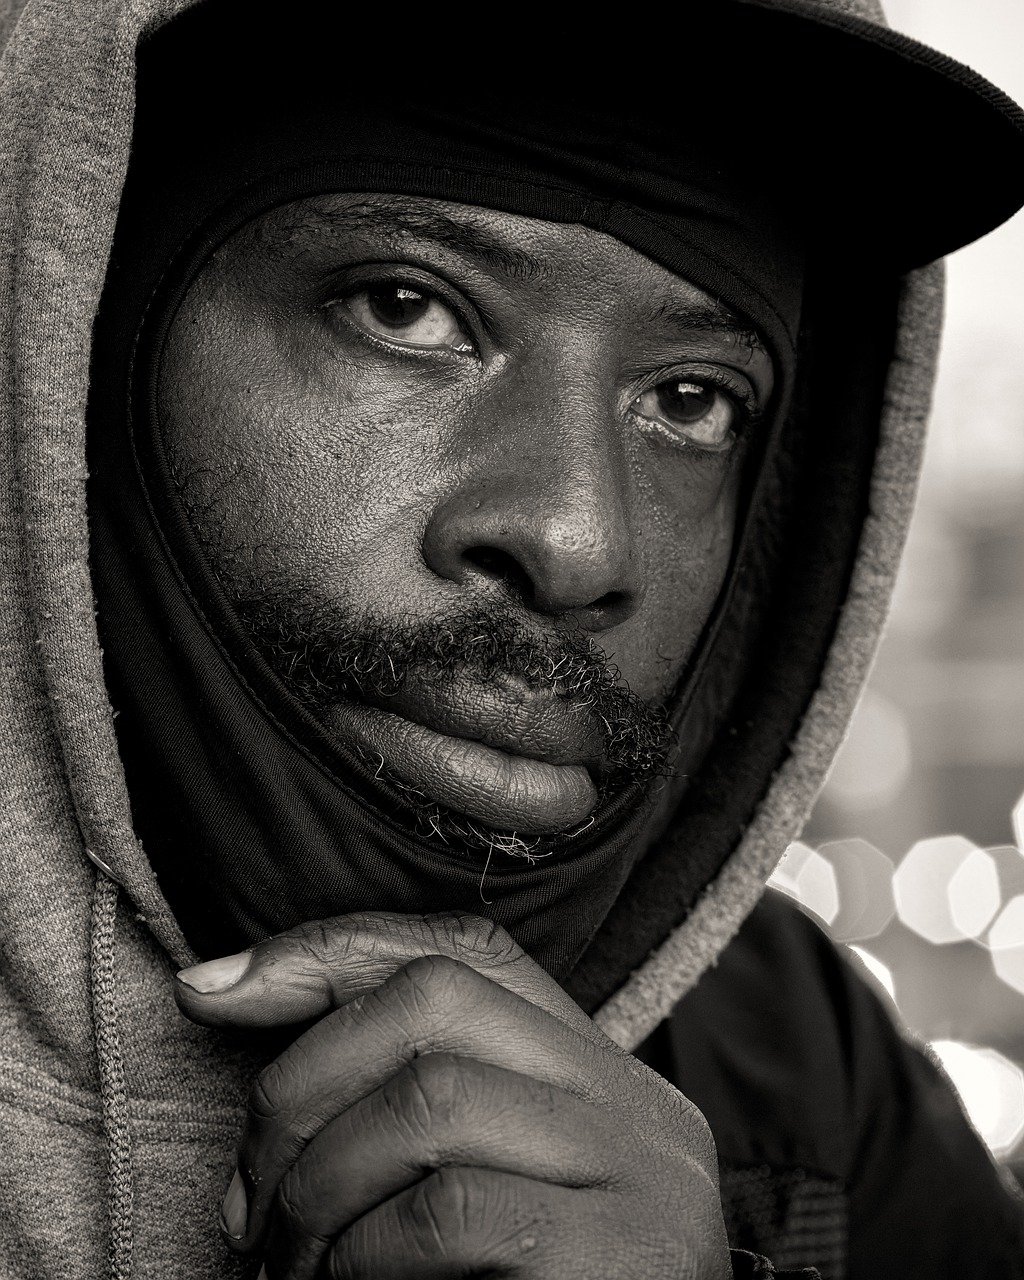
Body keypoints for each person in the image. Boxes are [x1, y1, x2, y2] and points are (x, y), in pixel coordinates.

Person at [2, 0, 1024, 1276]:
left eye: (689, 399)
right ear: (73, 310)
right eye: (404, 308)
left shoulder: (801, 1081)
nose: (580, 536)